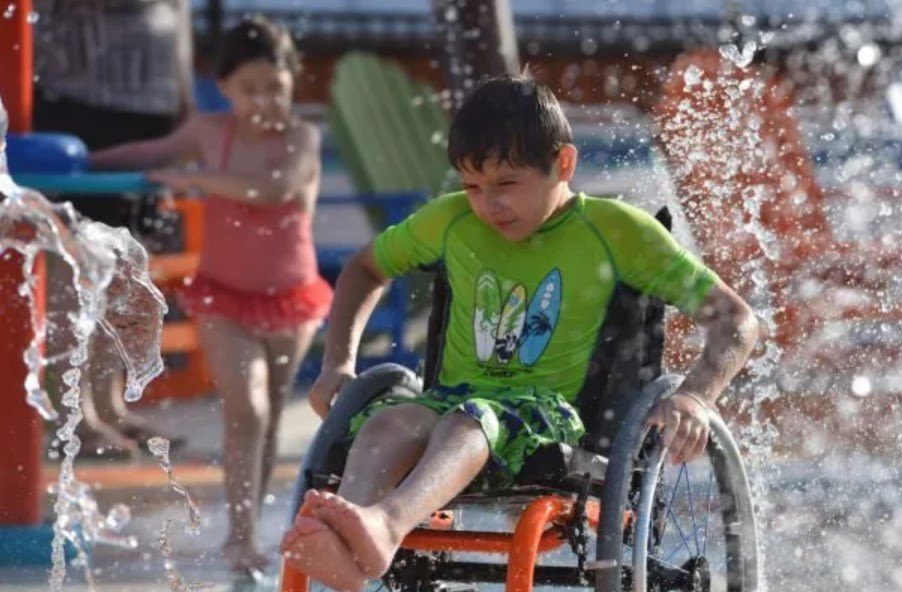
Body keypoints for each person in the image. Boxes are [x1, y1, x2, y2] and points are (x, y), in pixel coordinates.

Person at [279, 75, 760, 591]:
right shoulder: (451, 221)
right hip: (453, 401)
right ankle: (348, 538)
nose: (488, 205)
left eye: (507, 184)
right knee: (387, 423)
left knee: (469, 422)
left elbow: (738, 321)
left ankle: (385, 525)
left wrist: (696, 396)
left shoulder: (616, 232)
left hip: (547, 419)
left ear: (563, 163)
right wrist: (338, 363)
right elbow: (363, 269)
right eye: (472, 186)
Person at [90, 16, 333, 572]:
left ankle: (255, 522)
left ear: (293, 80)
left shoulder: (302, 138)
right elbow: (152, 151)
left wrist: (198, 179)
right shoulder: (209, 131)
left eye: (275, 86)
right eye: (249, 89)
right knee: (246, 408)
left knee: (270, 415)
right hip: (223, 300)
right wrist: (82, 163)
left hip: (290, 300)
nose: (264, 101)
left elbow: (276, 189)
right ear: (224, 87)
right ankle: (240, 537)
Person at [33, 0, 196, 457]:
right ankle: (73, 415)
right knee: (74, 265)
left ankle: (108, 404)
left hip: (151, 104)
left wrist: (183, 94)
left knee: (122, 266)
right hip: (79, 102)